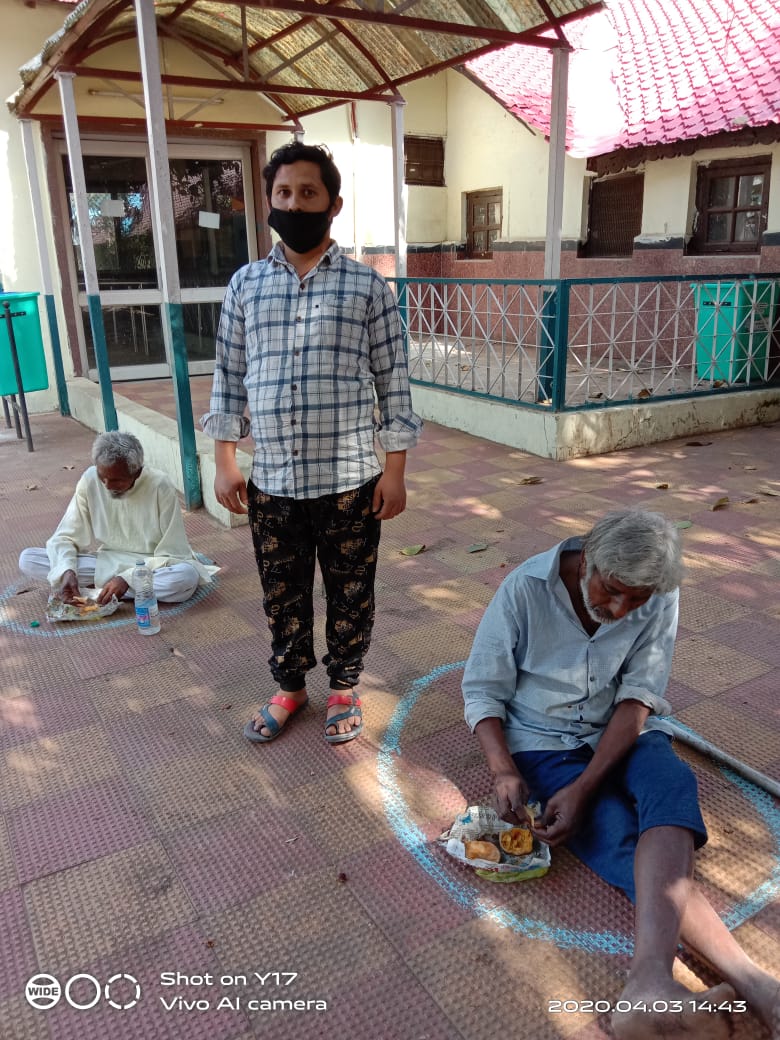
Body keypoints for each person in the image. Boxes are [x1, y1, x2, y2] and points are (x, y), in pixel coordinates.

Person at [462, 509, 779, 1040]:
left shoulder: (657, 593)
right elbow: (482, 689)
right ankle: (746, 985)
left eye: (635, 600)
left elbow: (638, 696)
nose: (620, 609)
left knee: (671, 787)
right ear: (586, 560)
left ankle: (662, 983)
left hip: (620, 728)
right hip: (542, 741)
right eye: (611, 591)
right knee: (611, 832)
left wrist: (584, 786)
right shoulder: (524, 590)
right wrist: (502, 770)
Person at [201, 140, 422, 746]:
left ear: (333, 204)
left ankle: (345, 686)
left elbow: (392, 383)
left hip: (351, 480)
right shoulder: (245, 286)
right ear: (268, 202)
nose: (294, 203)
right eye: (283, 193)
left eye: (307, 193)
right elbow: (228, 378)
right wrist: (224, 462)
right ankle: (291, 687)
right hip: (272, 481)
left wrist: (394, 469)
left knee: (351, 591)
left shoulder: (368, 288)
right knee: (282, 593)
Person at [19, 431, 216, 604]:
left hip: (151, 565)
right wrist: (67, 571)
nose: (106, 485)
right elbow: (64, 537)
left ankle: (102, 590)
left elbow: (173, 552)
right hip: (107, 561)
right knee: (28, 559)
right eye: (102, 476)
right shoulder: (90, 479)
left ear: (136, 472)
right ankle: (118, 591)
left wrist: (127, 578)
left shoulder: (159, 485)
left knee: (185, 578)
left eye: (116, 480)